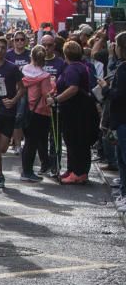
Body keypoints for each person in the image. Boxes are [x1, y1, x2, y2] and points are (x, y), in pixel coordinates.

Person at [51, 41, 99, 184]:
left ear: (66, 53)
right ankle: (73, 170)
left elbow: (73, 88)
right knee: (73, 141)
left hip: (77, 110)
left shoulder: (72, 69)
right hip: (77, 110)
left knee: (77, 141)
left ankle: (79, 172)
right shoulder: (80, 66)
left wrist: (56, 100)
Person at [0, 37, 24, 189]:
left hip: (8, 111)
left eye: (3, 48)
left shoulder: (12, 68)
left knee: (2, 147)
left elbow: (22, 88)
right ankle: (0, 175)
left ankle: (0, 170)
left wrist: (14, 100)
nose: (0, 50)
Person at [19, 45, 53, 182]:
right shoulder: (44, 76)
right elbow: (47, 94)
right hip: (39, 111)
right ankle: (28, 172)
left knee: (28, 141)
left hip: (26, 109)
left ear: (31, 56)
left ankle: (26, 169)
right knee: (35, 142)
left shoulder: (24, 70)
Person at [101, 32, 126, 211]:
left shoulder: (123, 69)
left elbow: (119, 95)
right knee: (121, 158)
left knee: (124, 158)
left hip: (122, 119)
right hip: (120, 121)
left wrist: (105, 89)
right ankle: (124, 193)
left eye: (116, 45)